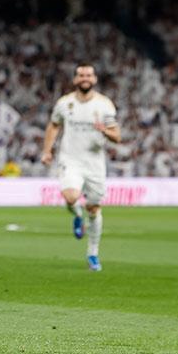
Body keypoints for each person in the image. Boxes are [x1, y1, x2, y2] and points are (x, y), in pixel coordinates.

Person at [41, 63, 121, 272]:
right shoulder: (64, 103)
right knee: (70, 197)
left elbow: (117, 136)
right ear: (75, 80)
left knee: (94, 208)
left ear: (94, 79)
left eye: (89, 75)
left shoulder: (105, 105)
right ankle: (77, 215)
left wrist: (104, 130)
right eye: (81, 75)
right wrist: (47, 150)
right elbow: (54, 125)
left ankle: (92, 254)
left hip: (94, 163)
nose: (85, 78)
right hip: (71, 159)